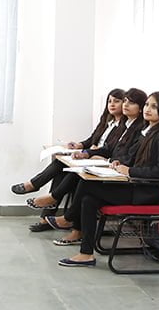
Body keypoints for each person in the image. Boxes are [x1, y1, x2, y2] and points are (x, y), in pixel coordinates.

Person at [57, 92, 159, 267]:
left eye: (154, 106)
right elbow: (131, 157)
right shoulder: (147, 132)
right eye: (147, 105)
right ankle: (86, 254)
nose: (148, 109)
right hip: (136, 186)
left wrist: (130, 171)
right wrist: (118, 163)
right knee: (88, 199)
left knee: (86, 184)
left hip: (148, 192)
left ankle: (68, 218)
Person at [40, 89, 147, 235]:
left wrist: (106, 159)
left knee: (82, 181)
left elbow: (129, 157)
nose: (125, 105)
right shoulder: (124, 124)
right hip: (110, 166)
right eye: (125, 101)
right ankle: (66, 219)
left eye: (130, 103)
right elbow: (107, 147)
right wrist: (86, 151)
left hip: (124, 178)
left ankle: (65, 215)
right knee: (67, 169)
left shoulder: (139, 129)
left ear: (141, 108)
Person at [12, 88, 125, 196]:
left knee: (67, 168)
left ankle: (36, 187)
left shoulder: (124, 127)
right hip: (90, 154)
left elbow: (110, 149)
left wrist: (91, 151)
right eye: (109, 101)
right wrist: (79, 145)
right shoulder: (106, 121)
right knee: (61, 163)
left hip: (100, 160)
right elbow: (92, 139)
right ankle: (45, 200)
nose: (112, 104)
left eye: (116, 101)